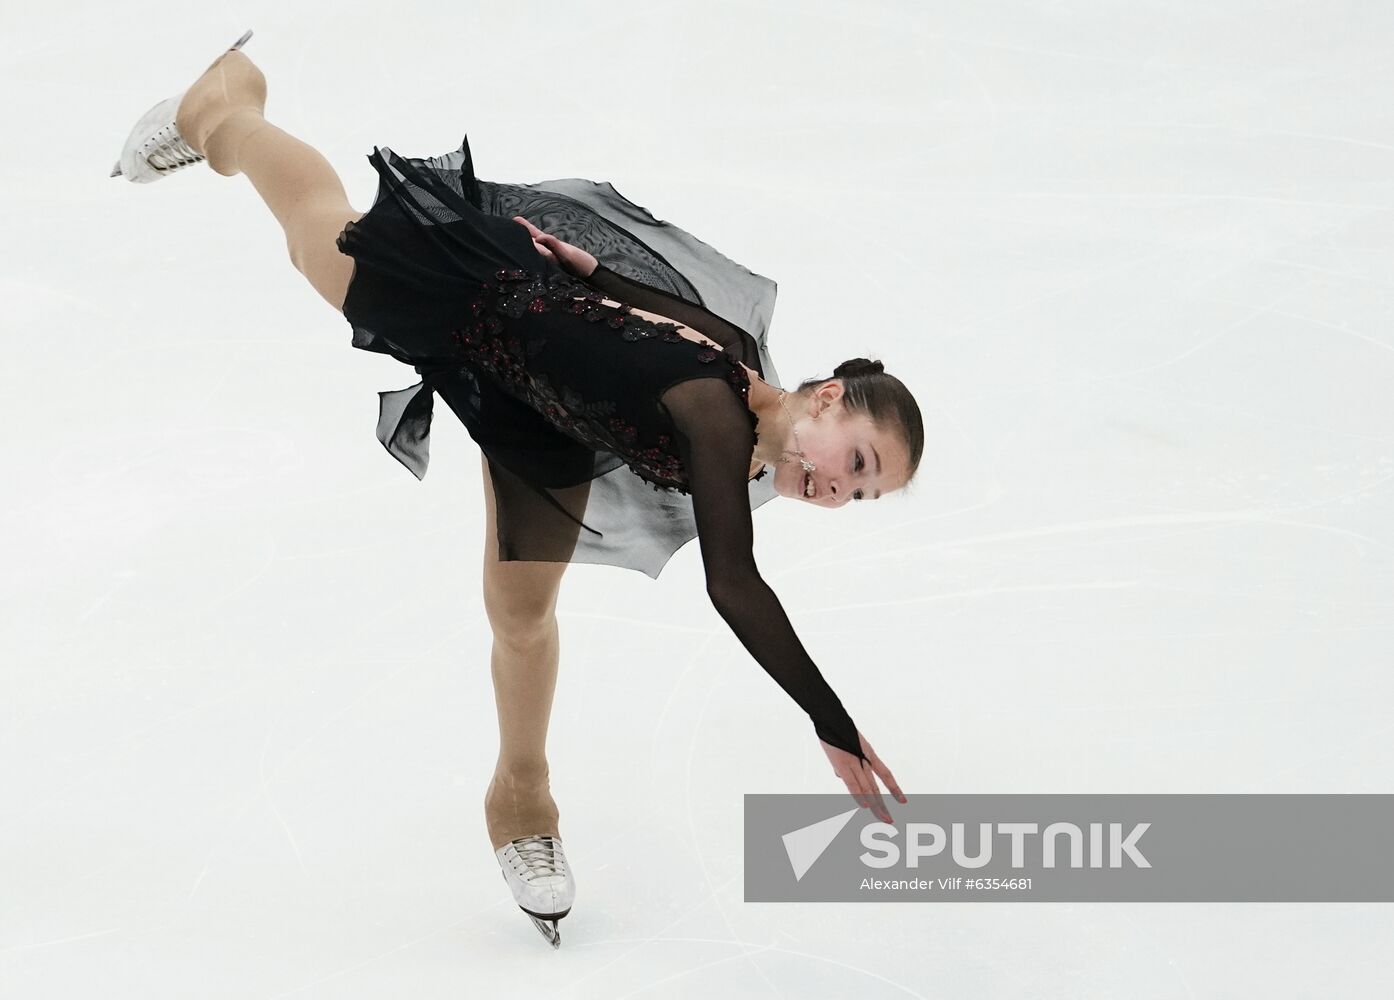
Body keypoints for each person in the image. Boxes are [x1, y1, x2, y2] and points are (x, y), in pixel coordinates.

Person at [112, 32, 923, 947]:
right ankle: (228, 109)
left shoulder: (739, 376)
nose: (837, 490)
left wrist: (592, 273)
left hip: (545, 414)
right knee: (321, 239)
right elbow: (734, 583)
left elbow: (676, 313)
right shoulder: (716, 417)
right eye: (856, 461)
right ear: (826, 399)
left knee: (521, 613)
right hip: (476, 306)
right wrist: (834, 724)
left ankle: (521, 799)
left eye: (862, 495)